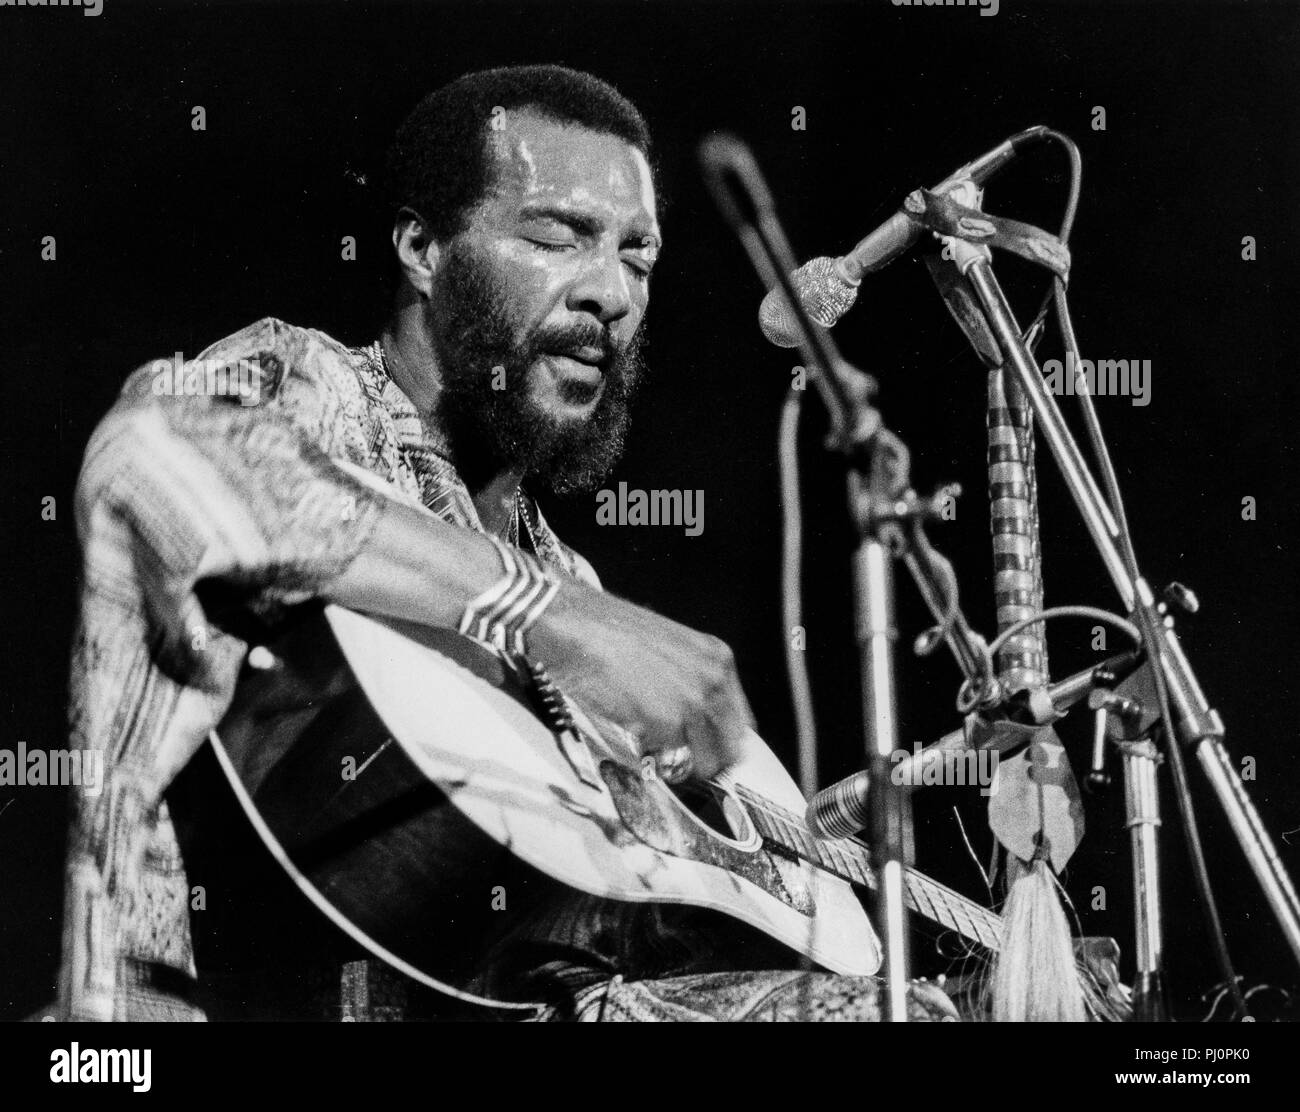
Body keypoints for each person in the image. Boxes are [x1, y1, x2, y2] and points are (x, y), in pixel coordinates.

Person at [56, 64, 959, 1022]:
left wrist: (785, 842)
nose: (609, 291)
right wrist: (556, 619)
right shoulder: (314, 391)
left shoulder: (562, 568)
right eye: (555, 235)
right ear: (420, 246)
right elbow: (147, 454)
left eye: (638, 258)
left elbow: (572, 940)